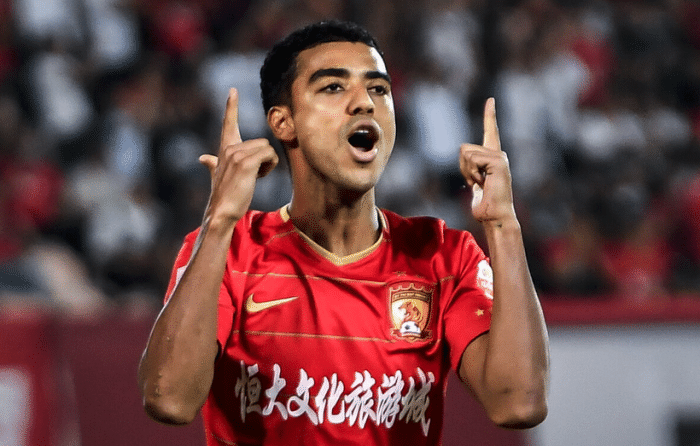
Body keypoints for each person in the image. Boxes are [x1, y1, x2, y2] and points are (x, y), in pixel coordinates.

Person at [138, 20, 549, 446]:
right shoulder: (231, 251)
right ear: (283, 122)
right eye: (333, 87)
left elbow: (519, 404)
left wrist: (504, 225)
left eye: (379, 89)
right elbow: (169, 399)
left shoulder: (444, 254)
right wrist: (220, 220)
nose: (365, 103)